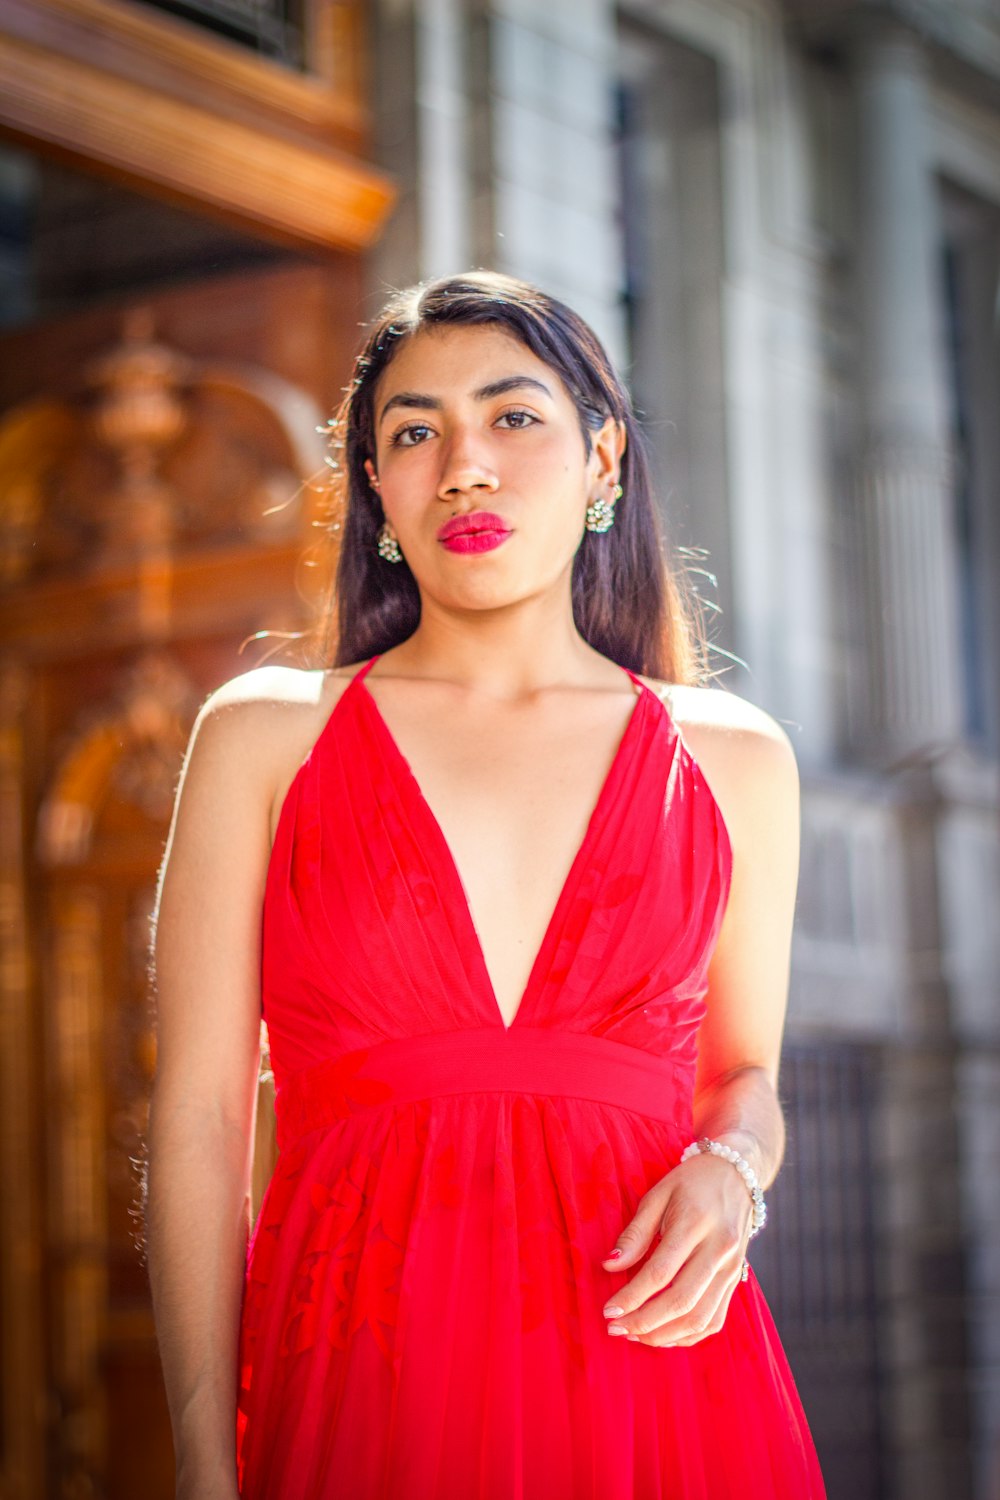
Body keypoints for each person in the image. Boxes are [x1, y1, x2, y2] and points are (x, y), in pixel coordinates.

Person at [146, 269, 827, 1499]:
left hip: (661, 1397)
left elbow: (745, 1084)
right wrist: (204, 1456)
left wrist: (732, 1176)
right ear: (376, 488)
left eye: (513, 417)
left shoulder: (734, 758)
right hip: (362, 1391)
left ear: (601, 459)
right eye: (415, 432)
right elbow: (199, 1120)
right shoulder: (264, 738)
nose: (465, 465)